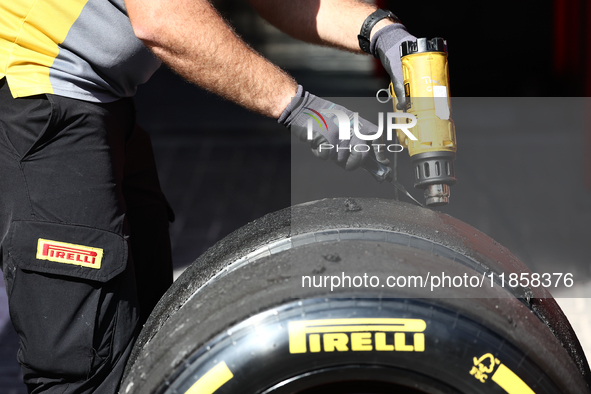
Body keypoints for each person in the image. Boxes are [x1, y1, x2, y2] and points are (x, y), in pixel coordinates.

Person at [0, 0, 415, 393]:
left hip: (104, 101)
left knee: (146, 334)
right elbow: (162, 17)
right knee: (85, 367)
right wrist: (301, 107)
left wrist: (381, 31)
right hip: (39, 95)